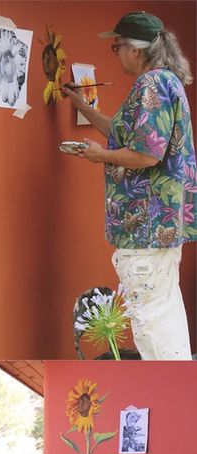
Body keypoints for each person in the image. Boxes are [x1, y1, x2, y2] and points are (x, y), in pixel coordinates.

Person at [62, 10, 197, 361]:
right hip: (160, 229)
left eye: (118, 46)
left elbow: (147, 155)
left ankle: (171, 391)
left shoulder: (151, 85)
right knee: (163, 320)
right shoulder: (167, 83)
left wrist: (99, 156)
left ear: (135, 50)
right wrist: (82, 107)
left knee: (152, 326)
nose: (117, 52)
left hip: (146, 230)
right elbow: (128, 136)